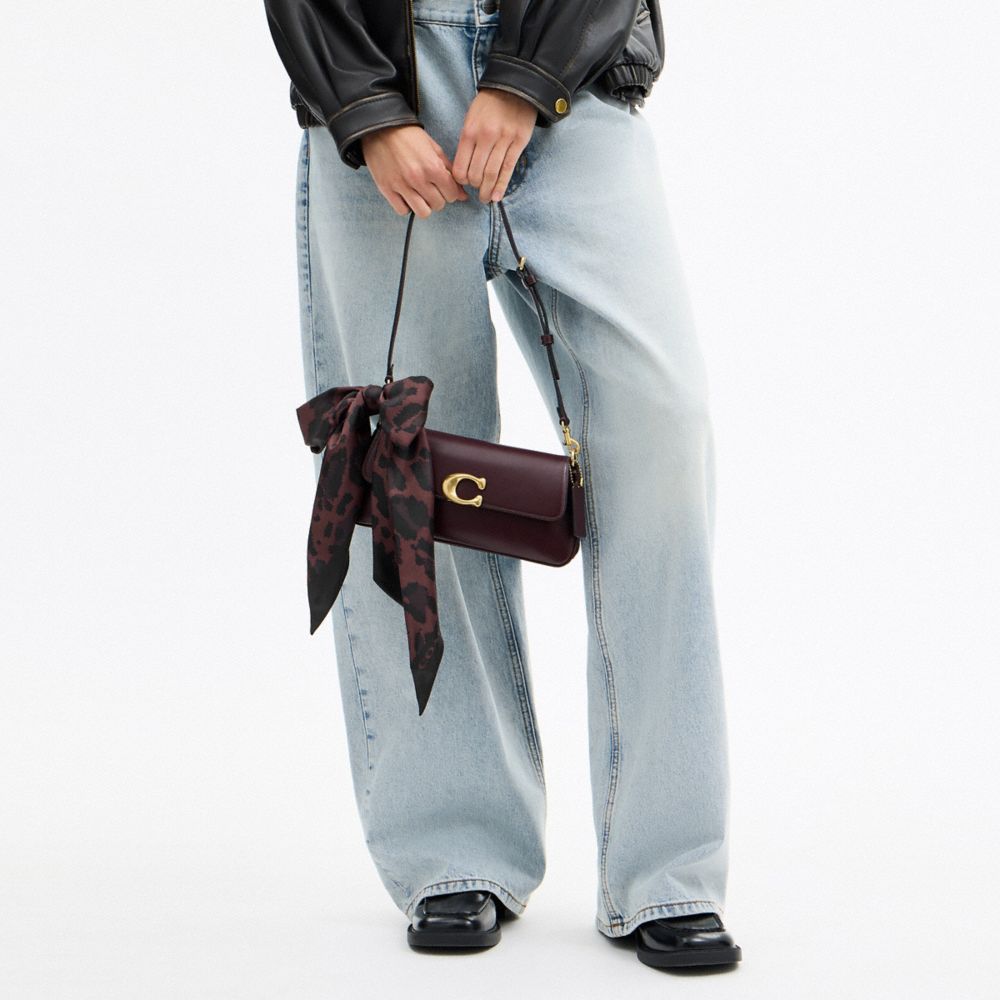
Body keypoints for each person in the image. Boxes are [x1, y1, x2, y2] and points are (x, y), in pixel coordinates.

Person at [263, 0, 742, 969]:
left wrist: (527, 78)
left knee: (659, 438)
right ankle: (454, 846)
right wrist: (364, 107)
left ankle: (665, 866)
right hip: (385, 81)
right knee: (408, 470)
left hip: (576, 78)